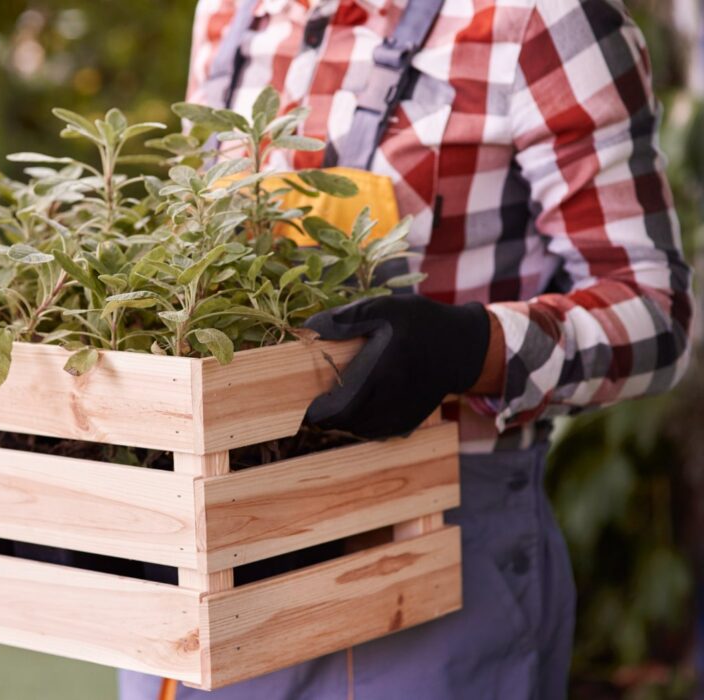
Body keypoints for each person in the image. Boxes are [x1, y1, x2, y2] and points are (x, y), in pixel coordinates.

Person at [119, 0, 694, 698]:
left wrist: (466, 348)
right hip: (217, 550)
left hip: (436, 552)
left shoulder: (541, 19)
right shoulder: (233, 12)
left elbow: (656, 317)